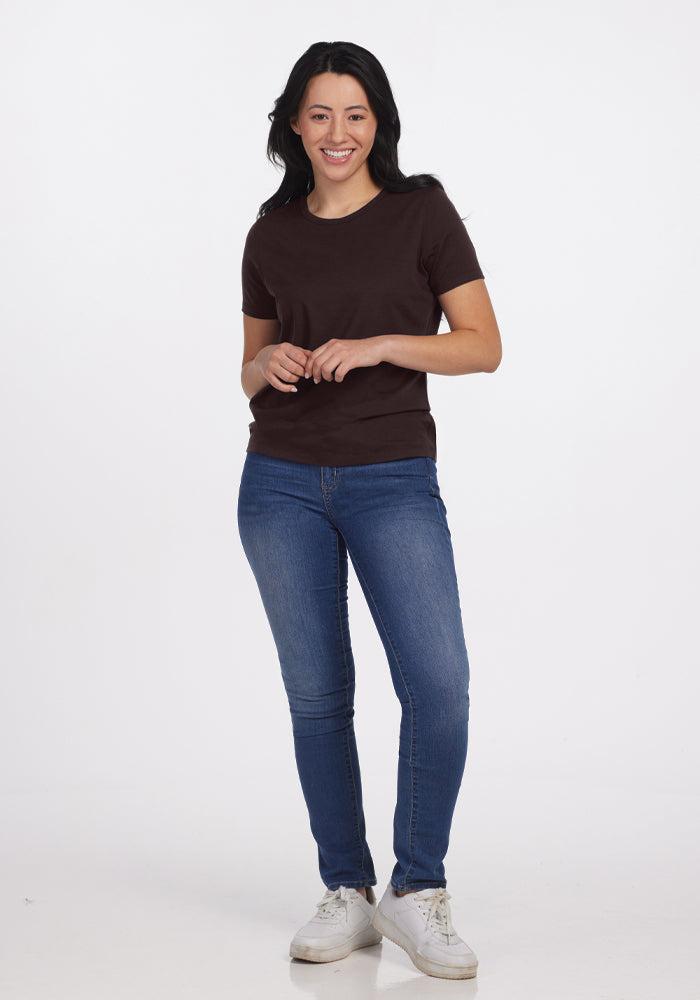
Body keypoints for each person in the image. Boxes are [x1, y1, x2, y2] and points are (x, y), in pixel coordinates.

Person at [237, 40, 501, 981]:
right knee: (319, 698)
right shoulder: (270, 233)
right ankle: (345, 891)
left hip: (393, 475)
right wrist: (264, 367)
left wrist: (384, 343)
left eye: (355, 113)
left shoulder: (422, 212)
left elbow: (482, 346)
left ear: (378, 121)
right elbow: (248, 367)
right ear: (295, 127)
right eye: (319, 115)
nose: (337, 132)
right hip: (279, 482)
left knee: (439, 686)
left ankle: (415, 890)